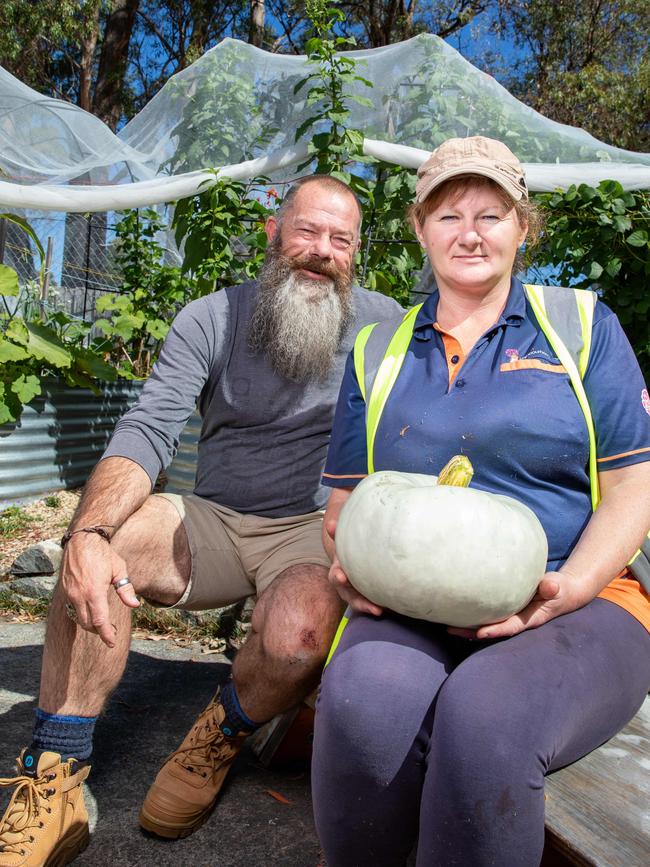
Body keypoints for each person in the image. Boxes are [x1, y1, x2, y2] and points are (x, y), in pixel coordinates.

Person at [0, 175, 403, 866]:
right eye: (308, 230)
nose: (322, 251)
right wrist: (88, 532)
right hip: (211, 516)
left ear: (356, 254)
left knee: (302, 634)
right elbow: (148, 428)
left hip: (309, 525)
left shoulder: (386, 323)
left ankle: (222, 728)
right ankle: (55, 764)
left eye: (341, 239)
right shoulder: (212, 316)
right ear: (275, 235)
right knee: (101, 553)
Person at [311, 136, 650, 867]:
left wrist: (569, 589)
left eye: (491, 214)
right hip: (412, 602)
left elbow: (634, 486)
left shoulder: (583, 327)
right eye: (449, 214)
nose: (469, 232)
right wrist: (345, 561)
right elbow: (341, 504)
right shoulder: (377, 348)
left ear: (524, 226)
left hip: (583, 601)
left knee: (486, 719)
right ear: (419, 229)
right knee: (362, 700)